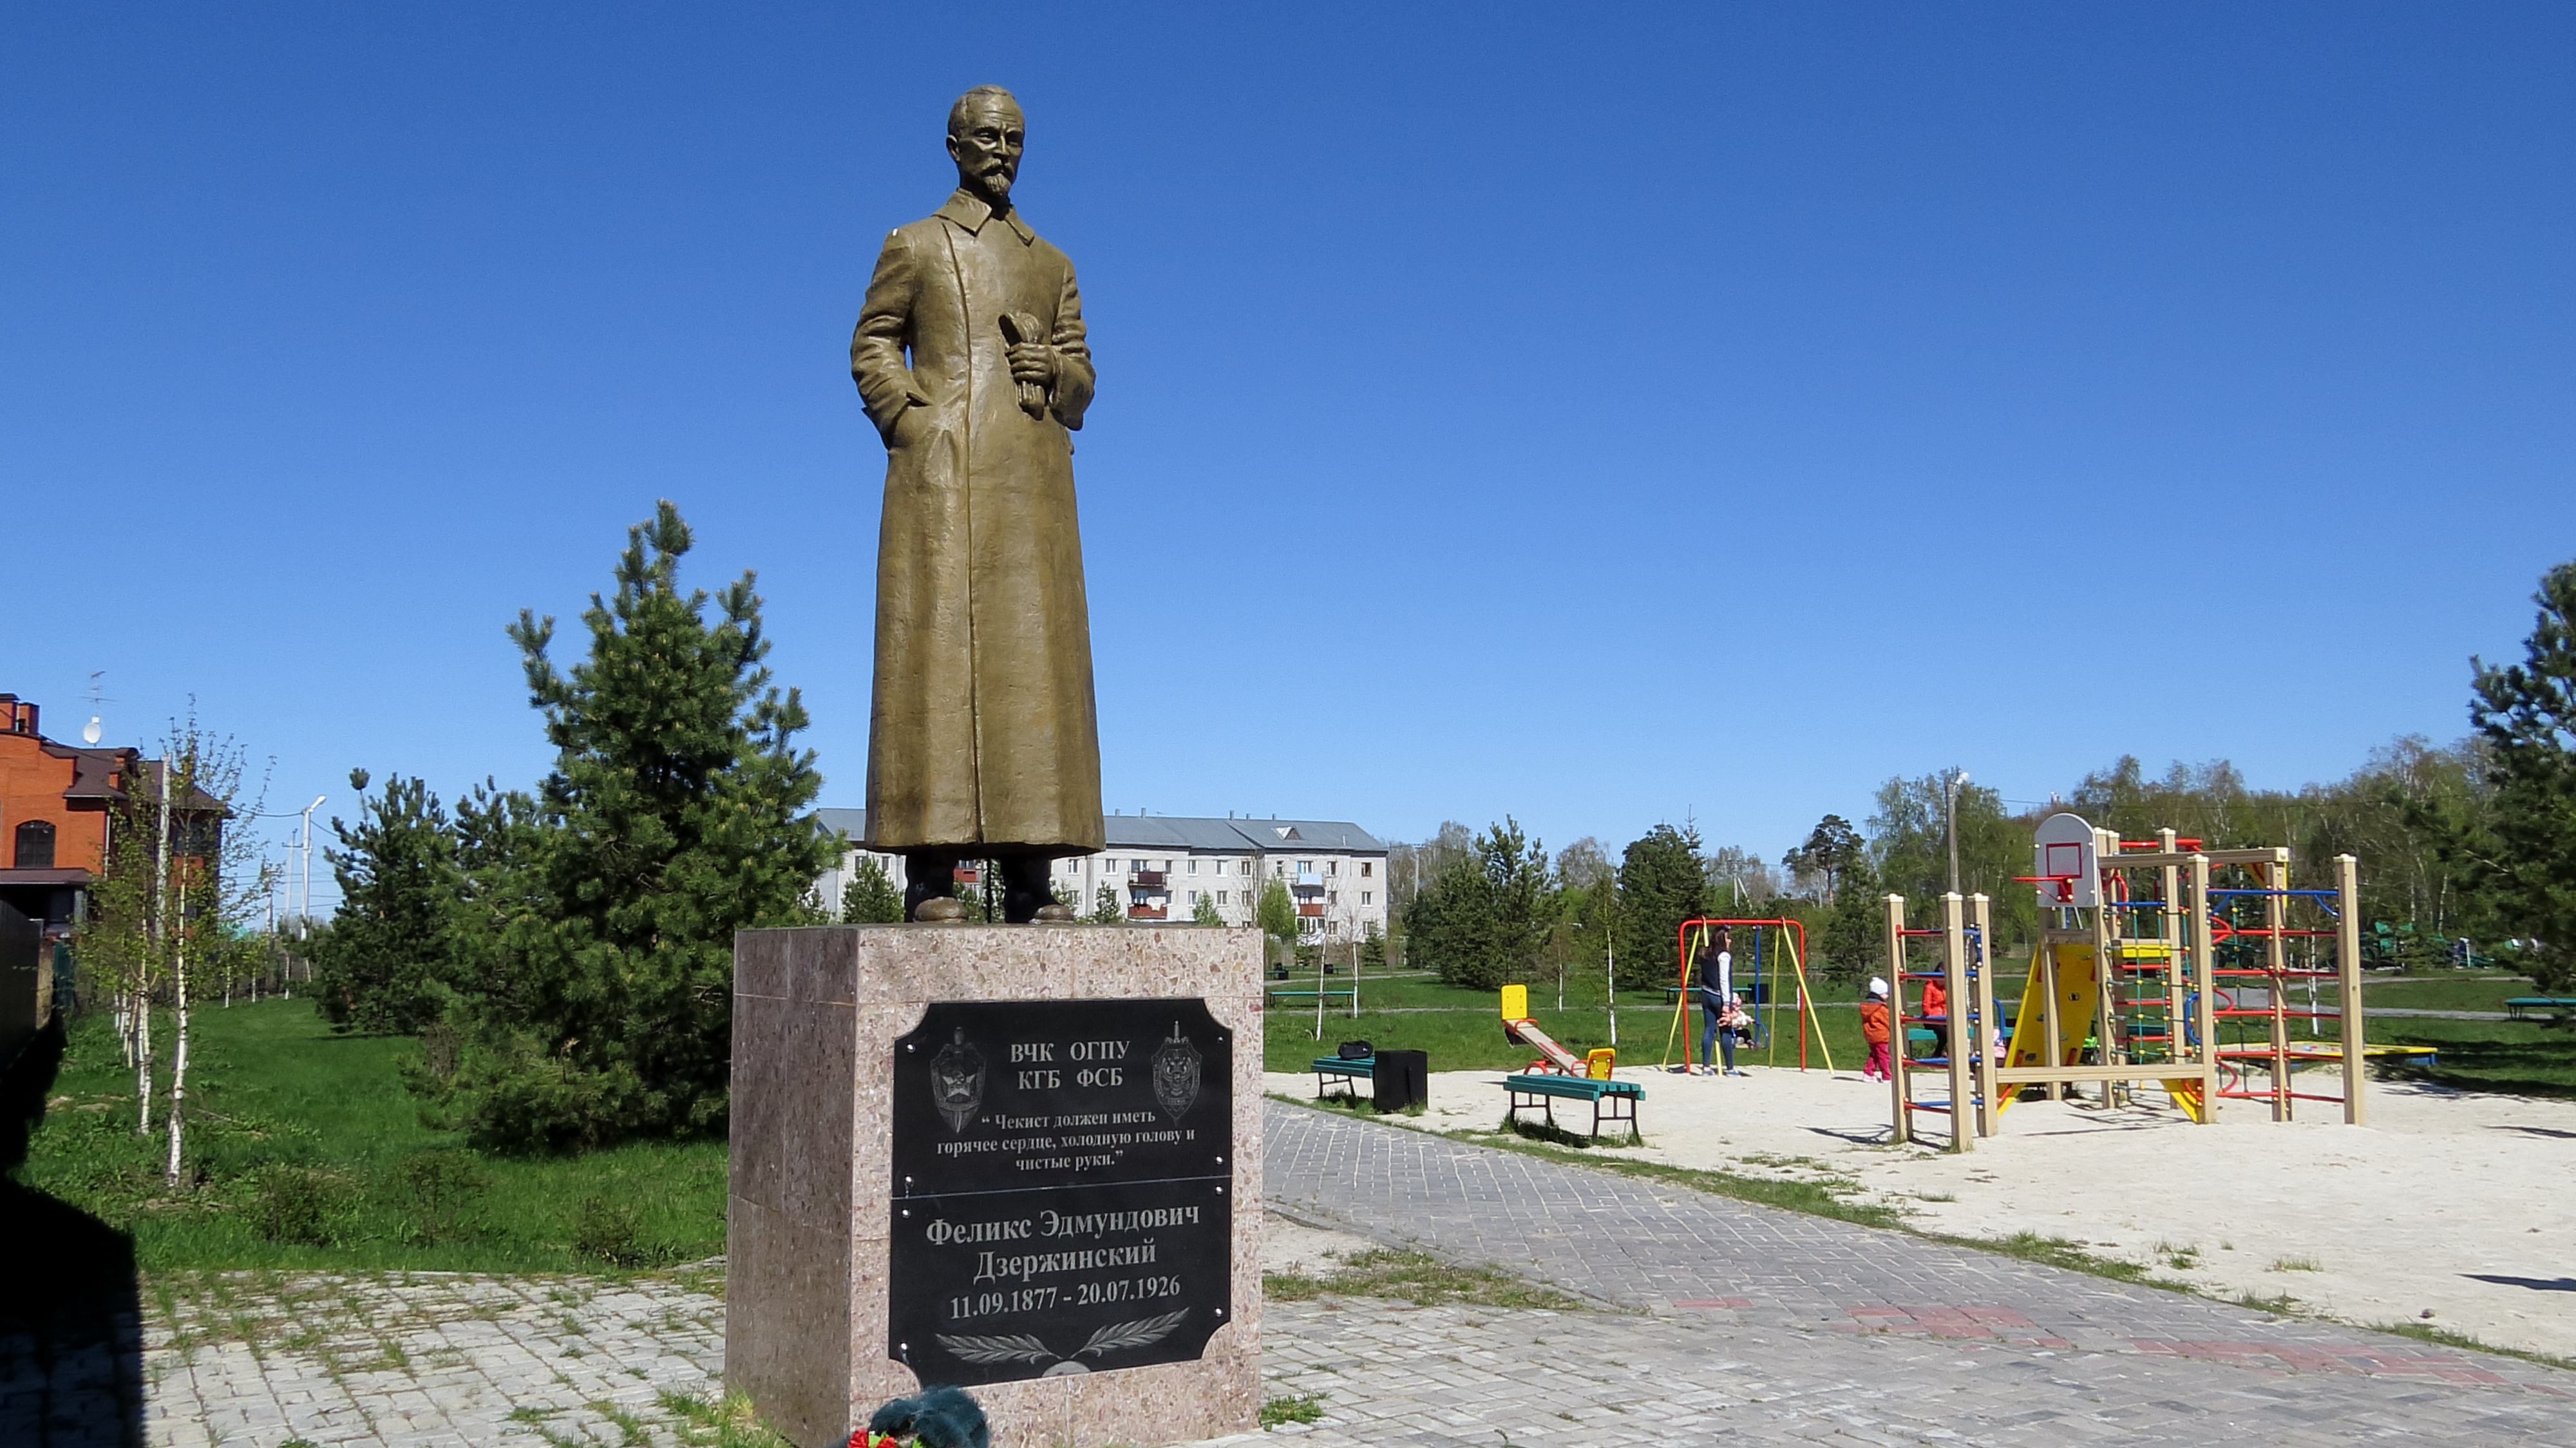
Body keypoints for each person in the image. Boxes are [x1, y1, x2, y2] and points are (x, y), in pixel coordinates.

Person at [852, 86, 1104, 922]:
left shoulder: (1052, 262)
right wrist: (912, 422)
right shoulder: (916, 245)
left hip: (1034, 492)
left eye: (1017, 139)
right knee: (938, 668)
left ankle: (1032, 875)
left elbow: (1084, 381)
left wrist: (1053, 375)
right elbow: (873, 342)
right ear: (955, 145)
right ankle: (932, 875)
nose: (1004, 151)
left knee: (1032, 672)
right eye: (989, 137)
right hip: (945, 487)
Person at [1698, 928, 1748, 1077]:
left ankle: (1706, 1067)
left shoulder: (1705, 953)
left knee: (1709, 1030)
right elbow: (1724, 979)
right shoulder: (1724, 956)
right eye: (1728, 938)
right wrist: (1727, 1003)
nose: (1730, 941)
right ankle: (1730, 1068)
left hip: (1706, 993)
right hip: (1719, 996)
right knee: (1726, 1031)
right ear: (1722, 939)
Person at [1860, 977, 1892, 1082]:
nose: (1887, 995)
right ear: (1879, 994)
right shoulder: (1880, 1008)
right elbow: (1887, 1021)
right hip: (1881, 1035)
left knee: (1874, 1053)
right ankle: (1887, 1075)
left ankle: (1868, 1072)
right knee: (1884, 1056)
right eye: (1885, 993)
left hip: (1870, 1034)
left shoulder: (1866, 1007)